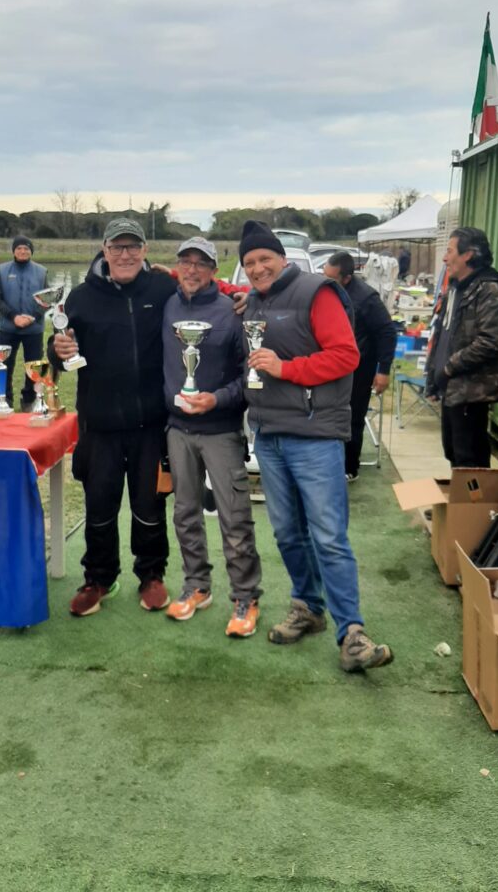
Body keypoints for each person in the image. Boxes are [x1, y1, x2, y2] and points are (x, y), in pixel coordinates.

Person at [239, 220, 393, 673]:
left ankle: (352, 633)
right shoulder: (254, 302)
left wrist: (286, 369)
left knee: (328, 536)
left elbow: (346, 356)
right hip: (269, 434)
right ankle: (307, 606)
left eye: (264, 258)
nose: (258, 268)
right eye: (249, 262)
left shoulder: (317, 292)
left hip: (314, 434)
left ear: (281, 258)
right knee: (288, 533)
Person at [50, 219, 176, 616]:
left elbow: (200, 298)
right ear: (104, 250)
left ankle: (151, 575)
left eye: (132, 247)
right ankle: (99, 578)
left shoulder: (163, 288)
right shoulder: (81, 297)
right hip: (99, 425)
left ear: (144, 250)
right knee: (99, 508)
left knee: (149, 508)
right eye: (117, 247)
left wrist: (237, 300)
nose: (125, 254)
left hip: (150, 424)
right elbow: (61, 350)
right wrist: (58, 350)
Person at [162, 237, 263, 637]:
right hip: (177, 429)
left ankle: (246, 596)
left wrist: (216, 399)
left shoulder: (233, 311)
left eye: (200, 263)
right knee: (185, 513)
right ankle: (197, 585)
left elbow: (248, 376)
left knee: (234, 517)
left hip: (220, 429)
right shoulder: (168, 305)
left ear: (213, 271)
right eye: (185, 262)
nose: (191, 269)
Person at [425, 227, 498, 468]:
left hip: (472, 390)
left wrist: (449, 367)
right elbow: (443, 334)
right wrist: (434, 375)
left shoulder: (490, 291)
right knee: (453, 453)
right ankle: (459, 495)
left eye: (449, 251)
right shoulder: (455, 289)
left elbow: (493, 341)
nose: (445, 258)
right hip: (452, 388)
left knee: (470, 460)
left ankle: (473, 495)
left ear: (468, 255)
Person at [324, 252, 396, 480]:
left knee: (353, 417)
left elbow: (387, 332)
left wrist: (383, 370)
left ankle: (349, 467)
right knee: (330, 415)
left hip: (359, 368)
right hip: (332, 367)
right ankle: (331, 461)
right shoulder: (328, 292)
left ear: (346, 278)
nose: (326, 282)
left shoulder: (366, 298)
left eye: (331, 278)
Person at [0, 236, 48, 410]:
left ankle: (29, 400)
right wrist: (14, 317)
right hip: (9, 327)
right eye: (19, 248)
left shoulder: (41, 271)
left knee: (33, 366)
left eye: (26, 249)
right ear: (13, 251)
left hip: (34, 328)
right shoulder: (2, 270)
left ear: (31, 251)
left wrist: (33, 317)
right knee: (4, 366)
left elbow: (47, 299)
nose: (23, 251)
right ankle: (4, 400)